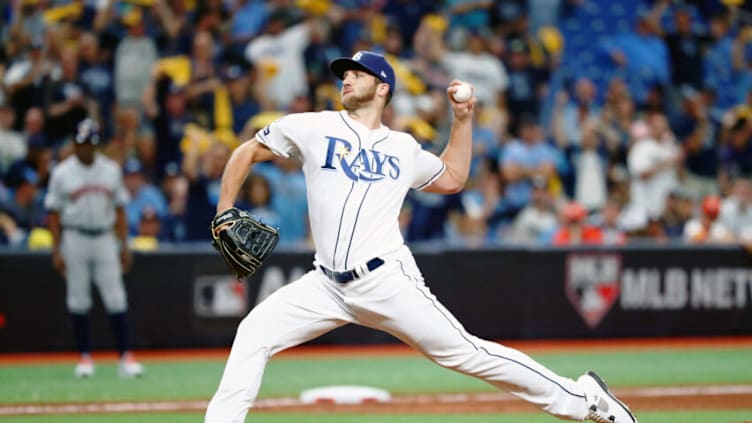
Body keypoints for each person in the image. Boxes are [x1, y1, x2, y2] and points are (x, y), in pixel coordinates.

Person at [205, 51, 637, 423]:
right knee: (254, 332)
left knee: (467, 353)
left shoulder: (402, 147)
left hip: (386, 280)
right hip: (325, 284)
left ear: (382, 88)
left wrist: (462, 120)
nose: (347, 79)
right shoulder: (313, 127)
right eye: (344, 74)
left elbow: (452, 178)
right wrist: (225, 208)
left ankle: (583, 399)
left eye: (357, 74)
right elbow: (247, 151)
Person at [44, 118, 144, 379]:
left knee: (116, 297)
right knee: (78, 299)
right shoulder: (62, 172)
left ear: (96, 145)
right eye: (81, 143)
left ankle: (125, 358)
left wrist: (124, 245)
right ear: (75, 145)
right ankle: (85, 357)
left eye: (90, 144)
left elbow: (120, 209)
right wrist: (57, 250)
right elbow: (53, 214)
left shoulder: (110, 170)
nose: (86, 148)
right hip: (75, 236)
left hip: (103, 237)